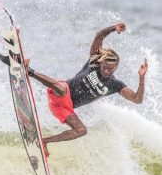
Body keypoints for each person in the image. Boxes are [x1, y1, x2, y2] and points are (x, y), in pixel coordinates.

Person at [25, 23, 148, 156]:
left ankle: (44, 141)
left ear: (116, 68)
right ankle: (29, 72)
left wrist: (141, 78)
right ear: (101, 63)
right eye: (104, 67)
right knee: (62, 88)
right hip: (58, 92)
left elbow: (137, 100)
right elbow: (99, 37)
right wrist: (113, 28)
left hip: (64, 108)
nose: (106, 71)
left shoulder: (115, 85)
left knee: (81, 130)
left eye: (110, 69)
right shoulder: (94, 62)